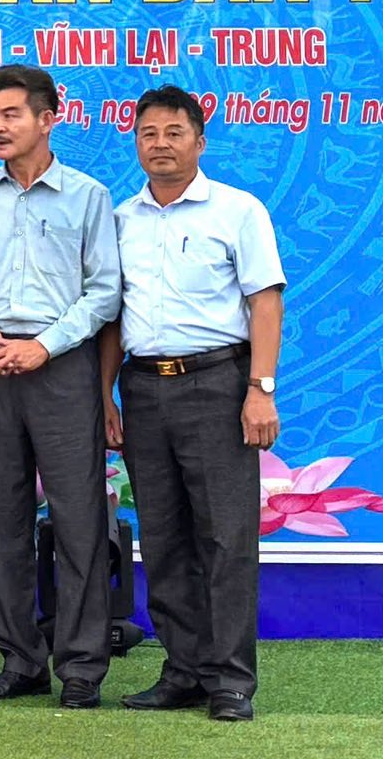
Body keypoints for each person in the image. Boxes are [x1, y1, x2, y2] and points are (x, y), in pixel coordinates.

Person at [99, 85, 284, 723]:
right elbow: (112, 317)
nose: (161, 145)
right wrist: (105, 395)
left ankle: (231, 681)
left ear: (199, 142)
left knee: (226, 538)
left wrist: (260, 389)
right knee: (164, 537)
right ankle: (184, 670)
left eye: (174, 133)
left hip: (218, 384)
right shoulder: (120, 219)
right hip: (143, 387)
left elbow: (265, 302)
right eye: (148, 134)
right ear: (135, 143)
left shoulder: (238, 210)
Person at [0, 64, 121, 708]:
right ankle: (20, 658)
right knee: (1, 517)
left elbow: (104, 291)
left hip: (63, 364)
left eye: (11, 115)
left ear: (49, 119)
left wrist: (44, 344)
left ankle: (80, 666)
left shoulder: (87, 195)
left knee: (78, 519)